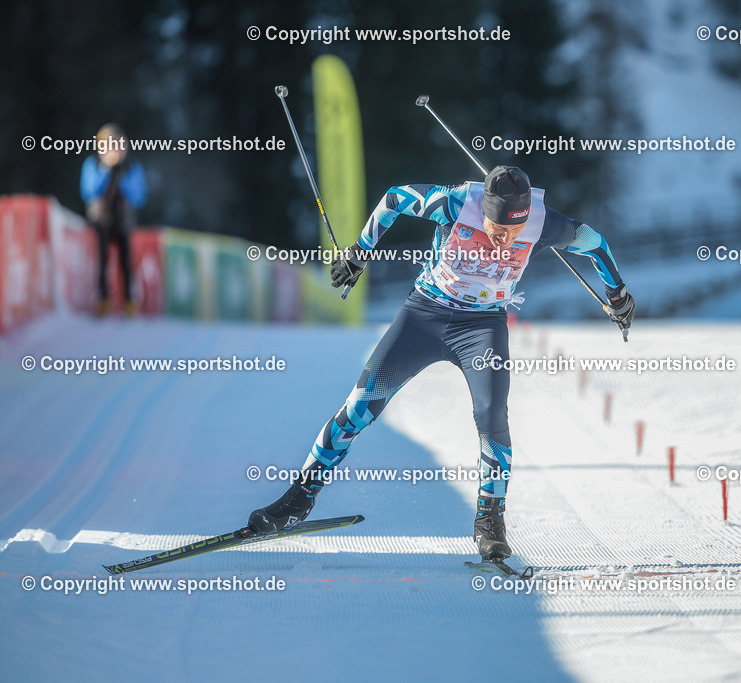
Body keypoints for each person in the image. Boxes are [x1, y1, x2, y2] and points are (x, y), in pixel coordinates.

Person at [248, 166, 634, 562]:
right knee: (360, 406)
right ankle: (299, 498)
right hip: (423, 316)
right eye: (496, 229)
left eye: (513, 232)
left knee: (492, 416)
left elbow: (595, 243)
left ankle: (489, 523)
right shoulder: (455, 203)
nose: (503, 240)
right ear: (483, 210)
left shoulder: (543, 222)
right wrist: (360, 253)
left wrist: (618, 295)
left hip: (481, 328)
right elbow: (394, 199)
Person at [80, 123, 147, 316]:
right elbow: (88, 192)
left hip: (123, 221)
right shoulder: (93, 164)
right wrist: (105, 170)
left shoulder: (131, 166)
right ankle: (103, 301)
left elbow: (139, 196)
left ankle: (129, 302)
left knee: (126, 262)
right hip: (100, 221)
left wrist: (122, 175)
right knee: (101, 262)